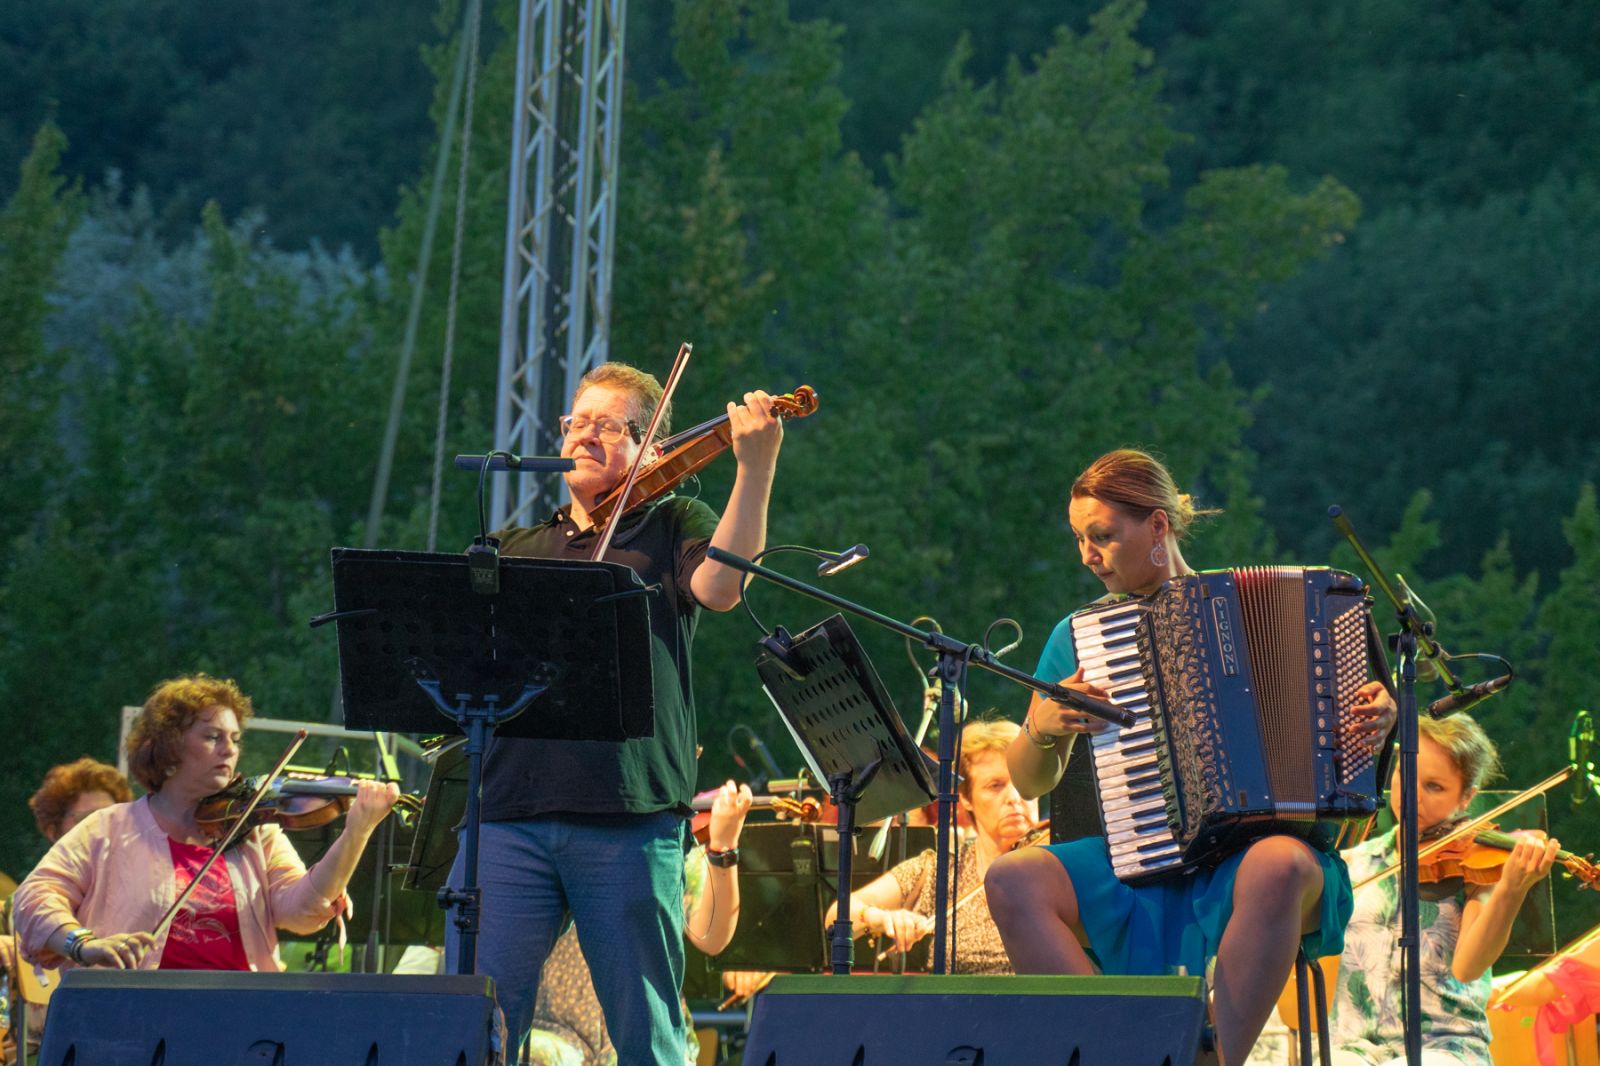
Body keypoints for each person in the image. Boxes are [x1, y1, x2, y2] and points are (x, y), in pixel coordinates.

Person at [984, 448, 1397, 1065]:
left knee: (1278, 865)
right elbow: (1029, 778)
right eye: (1079, 539)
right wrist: (1043, 729)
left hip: (1255, 860)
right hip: (1142, 855)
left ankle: (1204, 1059)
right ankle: (1115, 1052)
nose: (1087, 556)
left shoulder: (1271, 608)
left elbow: (1354, 756)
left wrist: (1380, 718)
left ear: (1157, 525)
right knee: (1012, 879)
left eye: (1102, 536)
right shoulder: (1078, 636)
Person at [446, 362, 783, 1064]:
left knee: (647, 1036)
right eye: (578, 421)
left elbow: (721, 588)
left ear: (652, 450)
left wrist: (755, 467)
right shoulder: (512, 549)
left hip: (626, 814)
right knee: (477, 1027)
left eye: (611, 425)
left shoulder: (670, 528)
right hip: (511, 813)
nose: (588, 434)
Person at [12, 673, 399, 972]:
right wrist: (83, 944)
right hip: (134, 1015)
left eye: (234, 738)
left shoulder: (254, 830)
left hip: (239, 1016)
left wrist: (357, 831)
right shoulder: (108, 828)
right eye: (213, 737)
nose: (230, 749)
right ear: (168, 747)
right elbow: (34, 898)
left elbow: (301, 912)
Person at [1330, 713, 1558, 1066]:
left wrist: (1510, 892)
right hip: (1351, 1048)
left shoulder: (1476, 866)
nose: (1411, 796)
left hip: (1445, 1047)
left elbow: (1468, 967)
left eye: (1434, 786)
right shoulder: (1353, 864)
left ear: (1467, 797)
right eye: (1406, 775)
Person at [525, 779, 754, 1066]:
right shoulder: (549, 833)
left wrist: (724, 846)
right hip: (557, 1036)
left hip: (647, 1030)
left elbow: (713, 938)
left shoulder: (664, 839)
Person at [825, 719, 1039, 974]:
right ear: (967, 799)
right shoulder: (939, 871)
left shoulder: (1059, 865)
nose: (1014, 798)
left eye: (1023, 782)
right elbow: (837, 915)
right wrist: (883, 918)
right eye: (995, 785)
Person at [3, 758, 134, 1064]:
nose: (101, 832)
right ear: (53, 830)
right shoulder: (25, 903)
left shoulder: (138, 895)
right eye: (88, 820)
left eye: (110, 820)